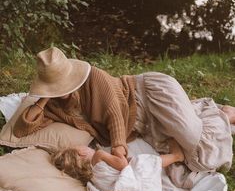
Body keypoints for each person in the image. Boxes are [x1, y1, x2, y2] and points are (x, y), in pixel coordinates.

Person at [13, 47, 234, 180]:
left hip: (148, 93)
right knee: (197, 161)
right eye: (56, 85)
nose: (63, 90)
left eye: (64, 82)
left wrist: (118, 149)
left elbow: (114, 113)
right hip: (142, 125)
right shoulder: (53, 104)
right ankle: (195, 111)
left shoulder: (93, 77)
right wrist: (45, 96)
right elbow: (21, 129)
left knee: (192, 137)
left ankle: (220, 113)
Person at [51, 138, 186, 191]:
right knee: (143, 162)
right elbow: (122, 165)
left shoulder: (91, 178)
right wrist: (116, 152)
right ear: (81, 152)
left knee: (133, 161)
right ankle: (177, 156)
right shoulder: (98, 156)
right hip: (139, 189)